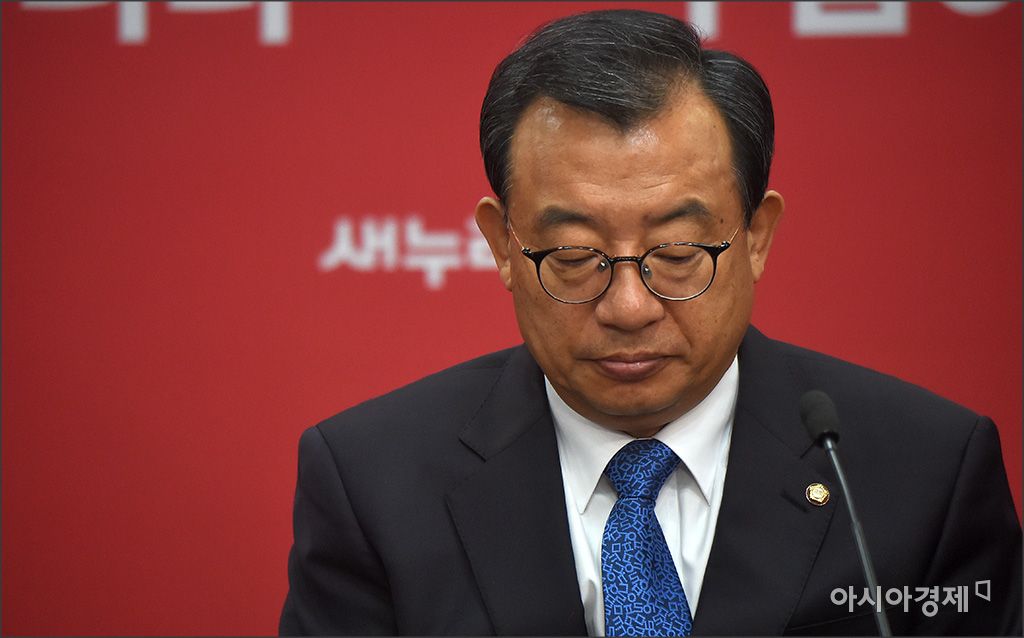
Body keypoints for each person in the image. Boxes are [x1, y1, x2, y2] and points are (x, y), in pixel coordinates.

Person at [279, 9, 1021, 636]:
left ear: (756, 237)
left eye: (678, 253)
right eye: (574, 256)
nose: (629, 307)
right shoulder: (372, 484)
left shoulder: (925, 475)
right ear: (504, 245)